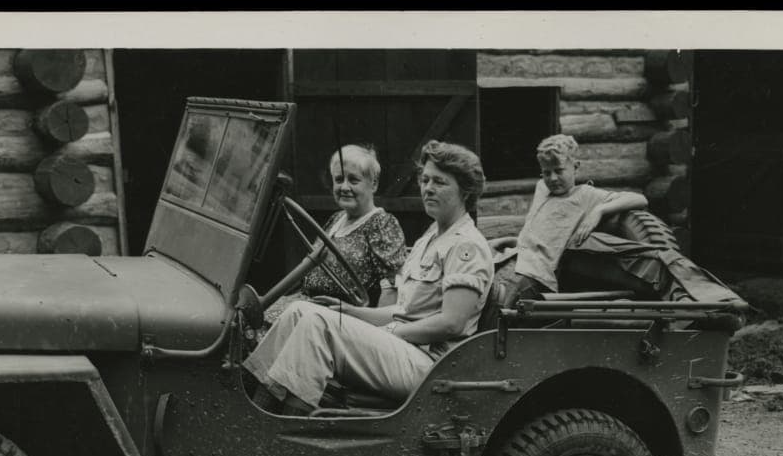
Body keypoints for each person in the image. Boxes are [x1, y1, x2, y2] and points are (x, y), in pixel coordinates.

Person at [245, 140, 493, 415]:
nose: (428, 189)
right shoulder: (430, 238)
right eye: (424, 180)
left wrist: (392, 331)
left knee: (317, 324)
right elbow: (402, 310)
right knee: (300, 311)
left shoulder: (466, 244)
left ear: (466, 191)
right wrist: (349, 311)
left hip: (431, 363)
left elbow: (452, 323)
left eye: (440, 182)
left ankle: (284, 425)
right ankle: (252, 406)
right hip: (406, 347)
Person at [263, 144, 407, 326]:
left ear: (374, 184)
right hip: (309, 305)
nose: (344, 187)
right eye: (339, 180)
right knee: (250, 320)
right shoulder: (336, 219)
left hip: (342, 317)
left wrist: (374, 335)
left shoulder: (382, 223)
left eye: (354, 180)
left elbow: (391, 289)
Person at [501, 133, 649, 305]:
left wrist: (599, 210)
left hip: (536, 273)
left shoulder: (586, 195)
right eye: (546, 173)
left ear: (575, 166)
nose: (553, 178)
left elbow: (640, 199)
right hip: (514, 259)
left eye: (559, 171)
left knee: (501, 307)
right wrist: (507, 241)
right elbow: (540, 231)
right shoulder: (542, 188)